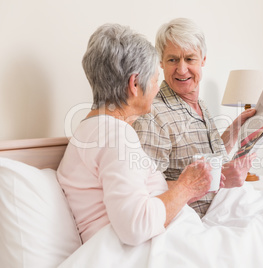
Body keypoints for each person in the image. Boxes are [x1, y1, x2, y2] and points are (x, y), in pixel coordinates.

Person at [57, 23, 213, 246]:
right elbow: (135, 226)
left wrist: (186, 190)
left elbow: (134, 196)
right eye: (155, 79)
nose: (157, 88)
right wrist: (184, 188)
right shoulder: (116, 136)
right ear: (134, 84)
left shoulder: (91, 129)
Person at [133, 18, 256, 217]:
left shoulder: (199, 104)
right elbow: (146, 188)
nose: (182, 69)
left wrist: (235, 129)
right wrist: (219, 177)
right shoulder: (153, 115)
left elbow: (209, 157)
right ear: (161, 62)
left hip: (227, 208)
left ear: (203, 59)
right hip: (197, 221)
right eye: (173, 59)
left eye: (190, 59)